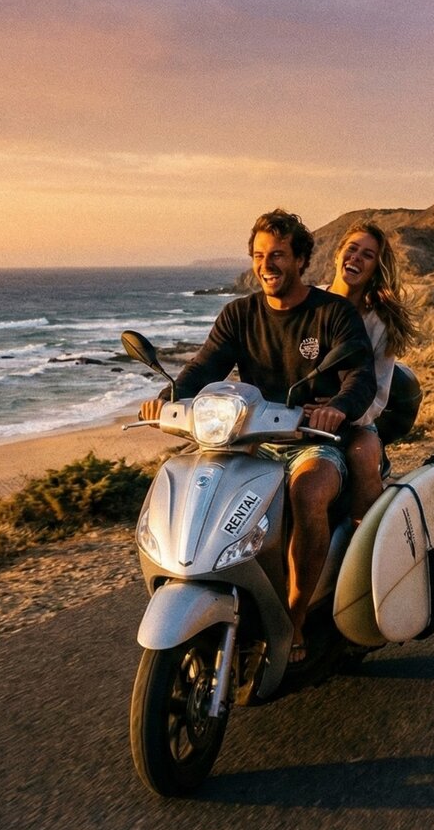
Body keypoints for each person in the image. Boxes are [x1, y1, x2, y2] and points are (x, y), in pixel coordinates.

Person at [139, 209, 375, 663]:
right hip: (249, 436)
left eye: (279, 255)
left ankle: (295, 618)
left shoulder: (333, 314)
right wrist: (166, 398)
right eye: (259, 255)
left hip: (312, 440)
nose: (267, 265)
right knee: (197, 479)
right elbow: (202, 368)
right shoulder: (239, 314)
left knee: (307, 491)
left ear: (302, 259)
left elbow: (359, 378)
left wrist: (336, 409)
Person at [325, 223, 419, 519]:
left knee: (363, 455)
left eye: (367, 255)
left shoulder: (378, 323)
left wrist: (342, 413)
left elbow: (378, 395)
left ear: (375, 268)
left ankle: (364, 542)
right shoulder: (308, 302)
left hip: (352, 420)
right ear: (338, 254)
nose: (356, 258)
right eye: (351, 249)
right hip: (296, 415)